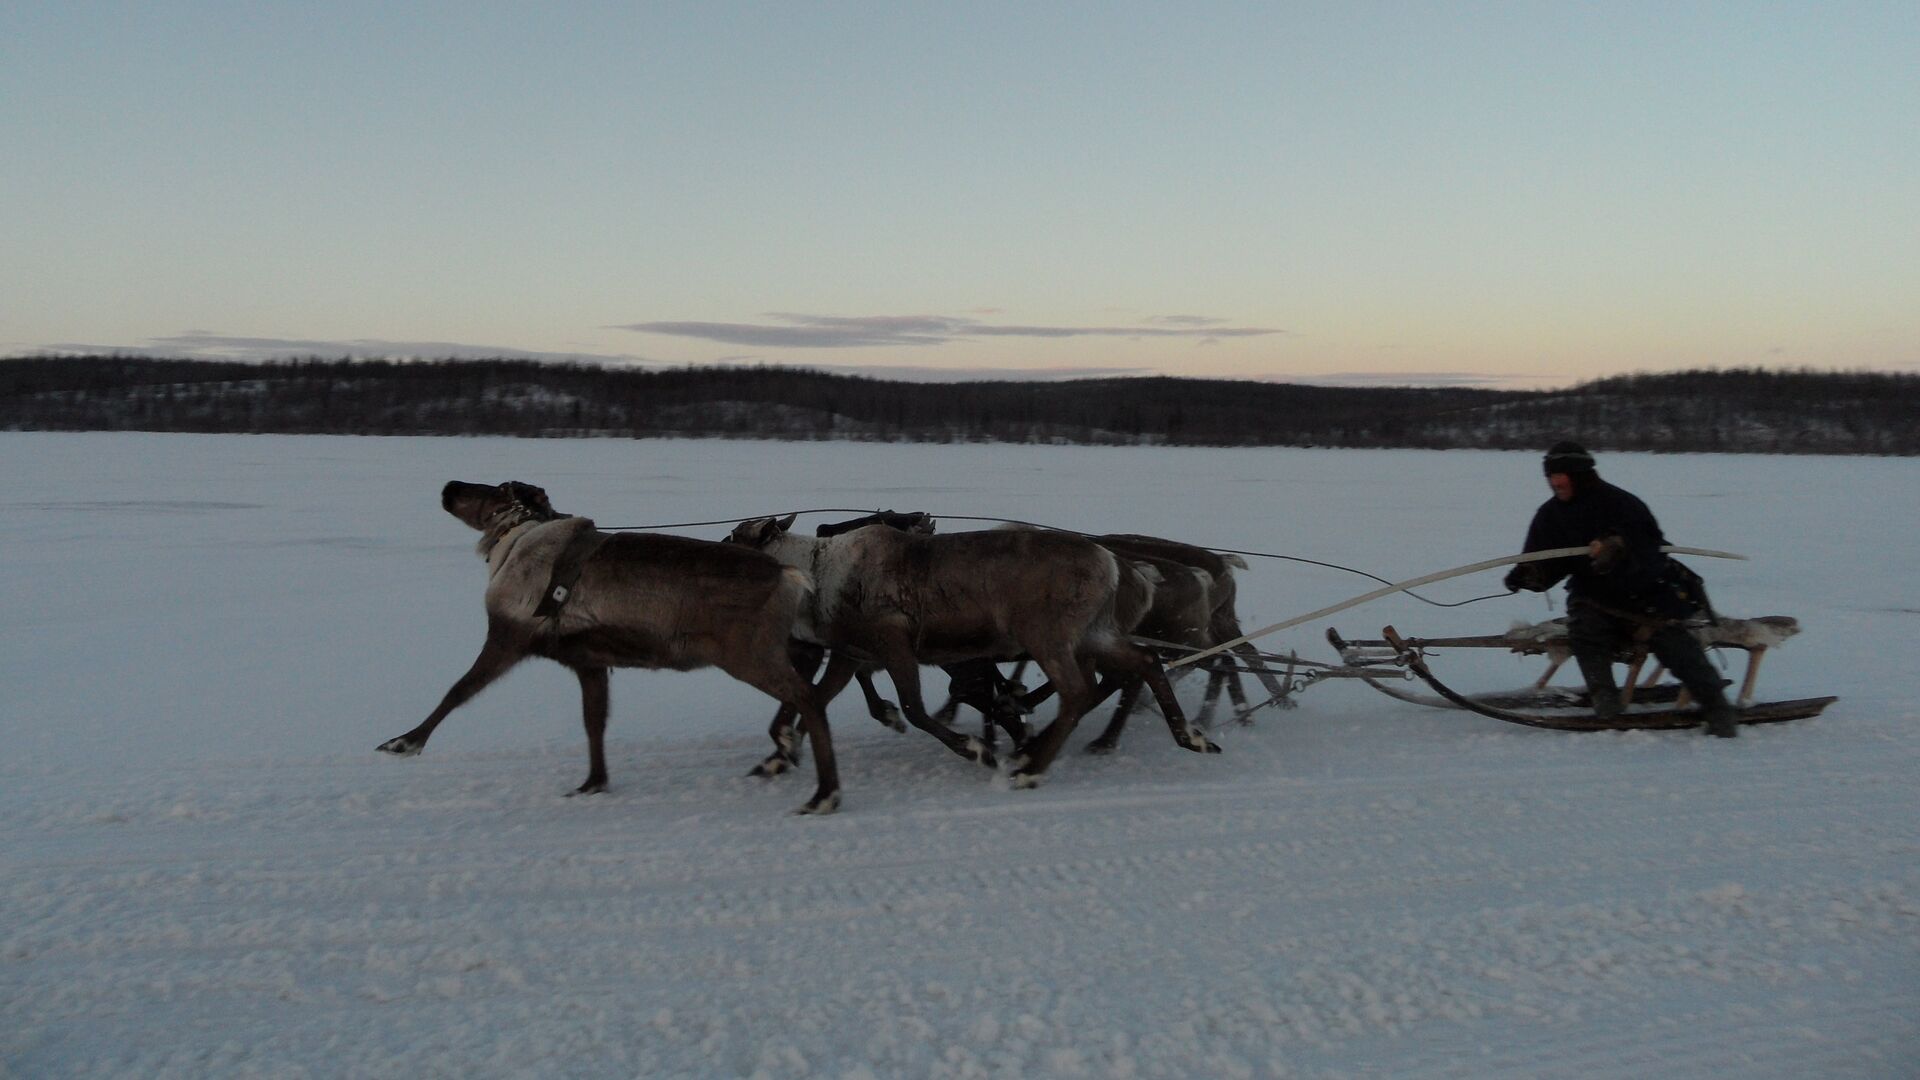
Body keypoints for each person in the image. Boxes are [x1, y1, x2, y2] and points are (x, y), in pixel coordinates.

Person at [1504, 441, 1739, 737]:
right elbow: (1547, 562)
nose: (1555, 482)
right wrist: (1528, 575)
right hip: (1593, 599)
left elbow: (1652, 547)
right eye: (1550, 476)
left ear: (1580, 474)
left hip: (1647, 597)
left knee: (1676, 646)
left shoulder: (1622, 504)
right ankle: (1606, 704)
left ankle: (1718, 708)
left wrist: (1617, 545)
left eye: (1561, 475)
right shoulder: (1550, 515)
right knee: (1585, 634)